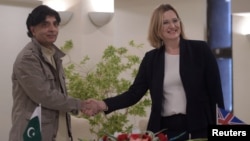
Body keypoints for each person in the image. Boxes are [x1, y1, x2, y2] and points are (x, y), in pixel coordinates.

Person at [83, 3, 225, 141]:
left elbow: (216, 94)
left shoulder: (200, 50)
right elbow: (134, 94)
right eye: (165, 23)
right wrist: (102, 104)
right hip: (164, 131)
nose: (172, 26)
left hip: (198, 128)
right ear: (157, 28)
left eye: (175, 20)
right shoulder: (151, 59)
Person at [9, 5, 92, 141]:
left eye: (55, 24)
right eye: (45, 24)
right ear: (33, 29)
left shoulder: (53, 55)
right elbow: (44, 95)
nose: (52, 29)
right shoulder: (28, 58)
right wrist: (79, 104)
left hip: (58, 132)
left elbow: (57, 95)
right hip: (34, 134)